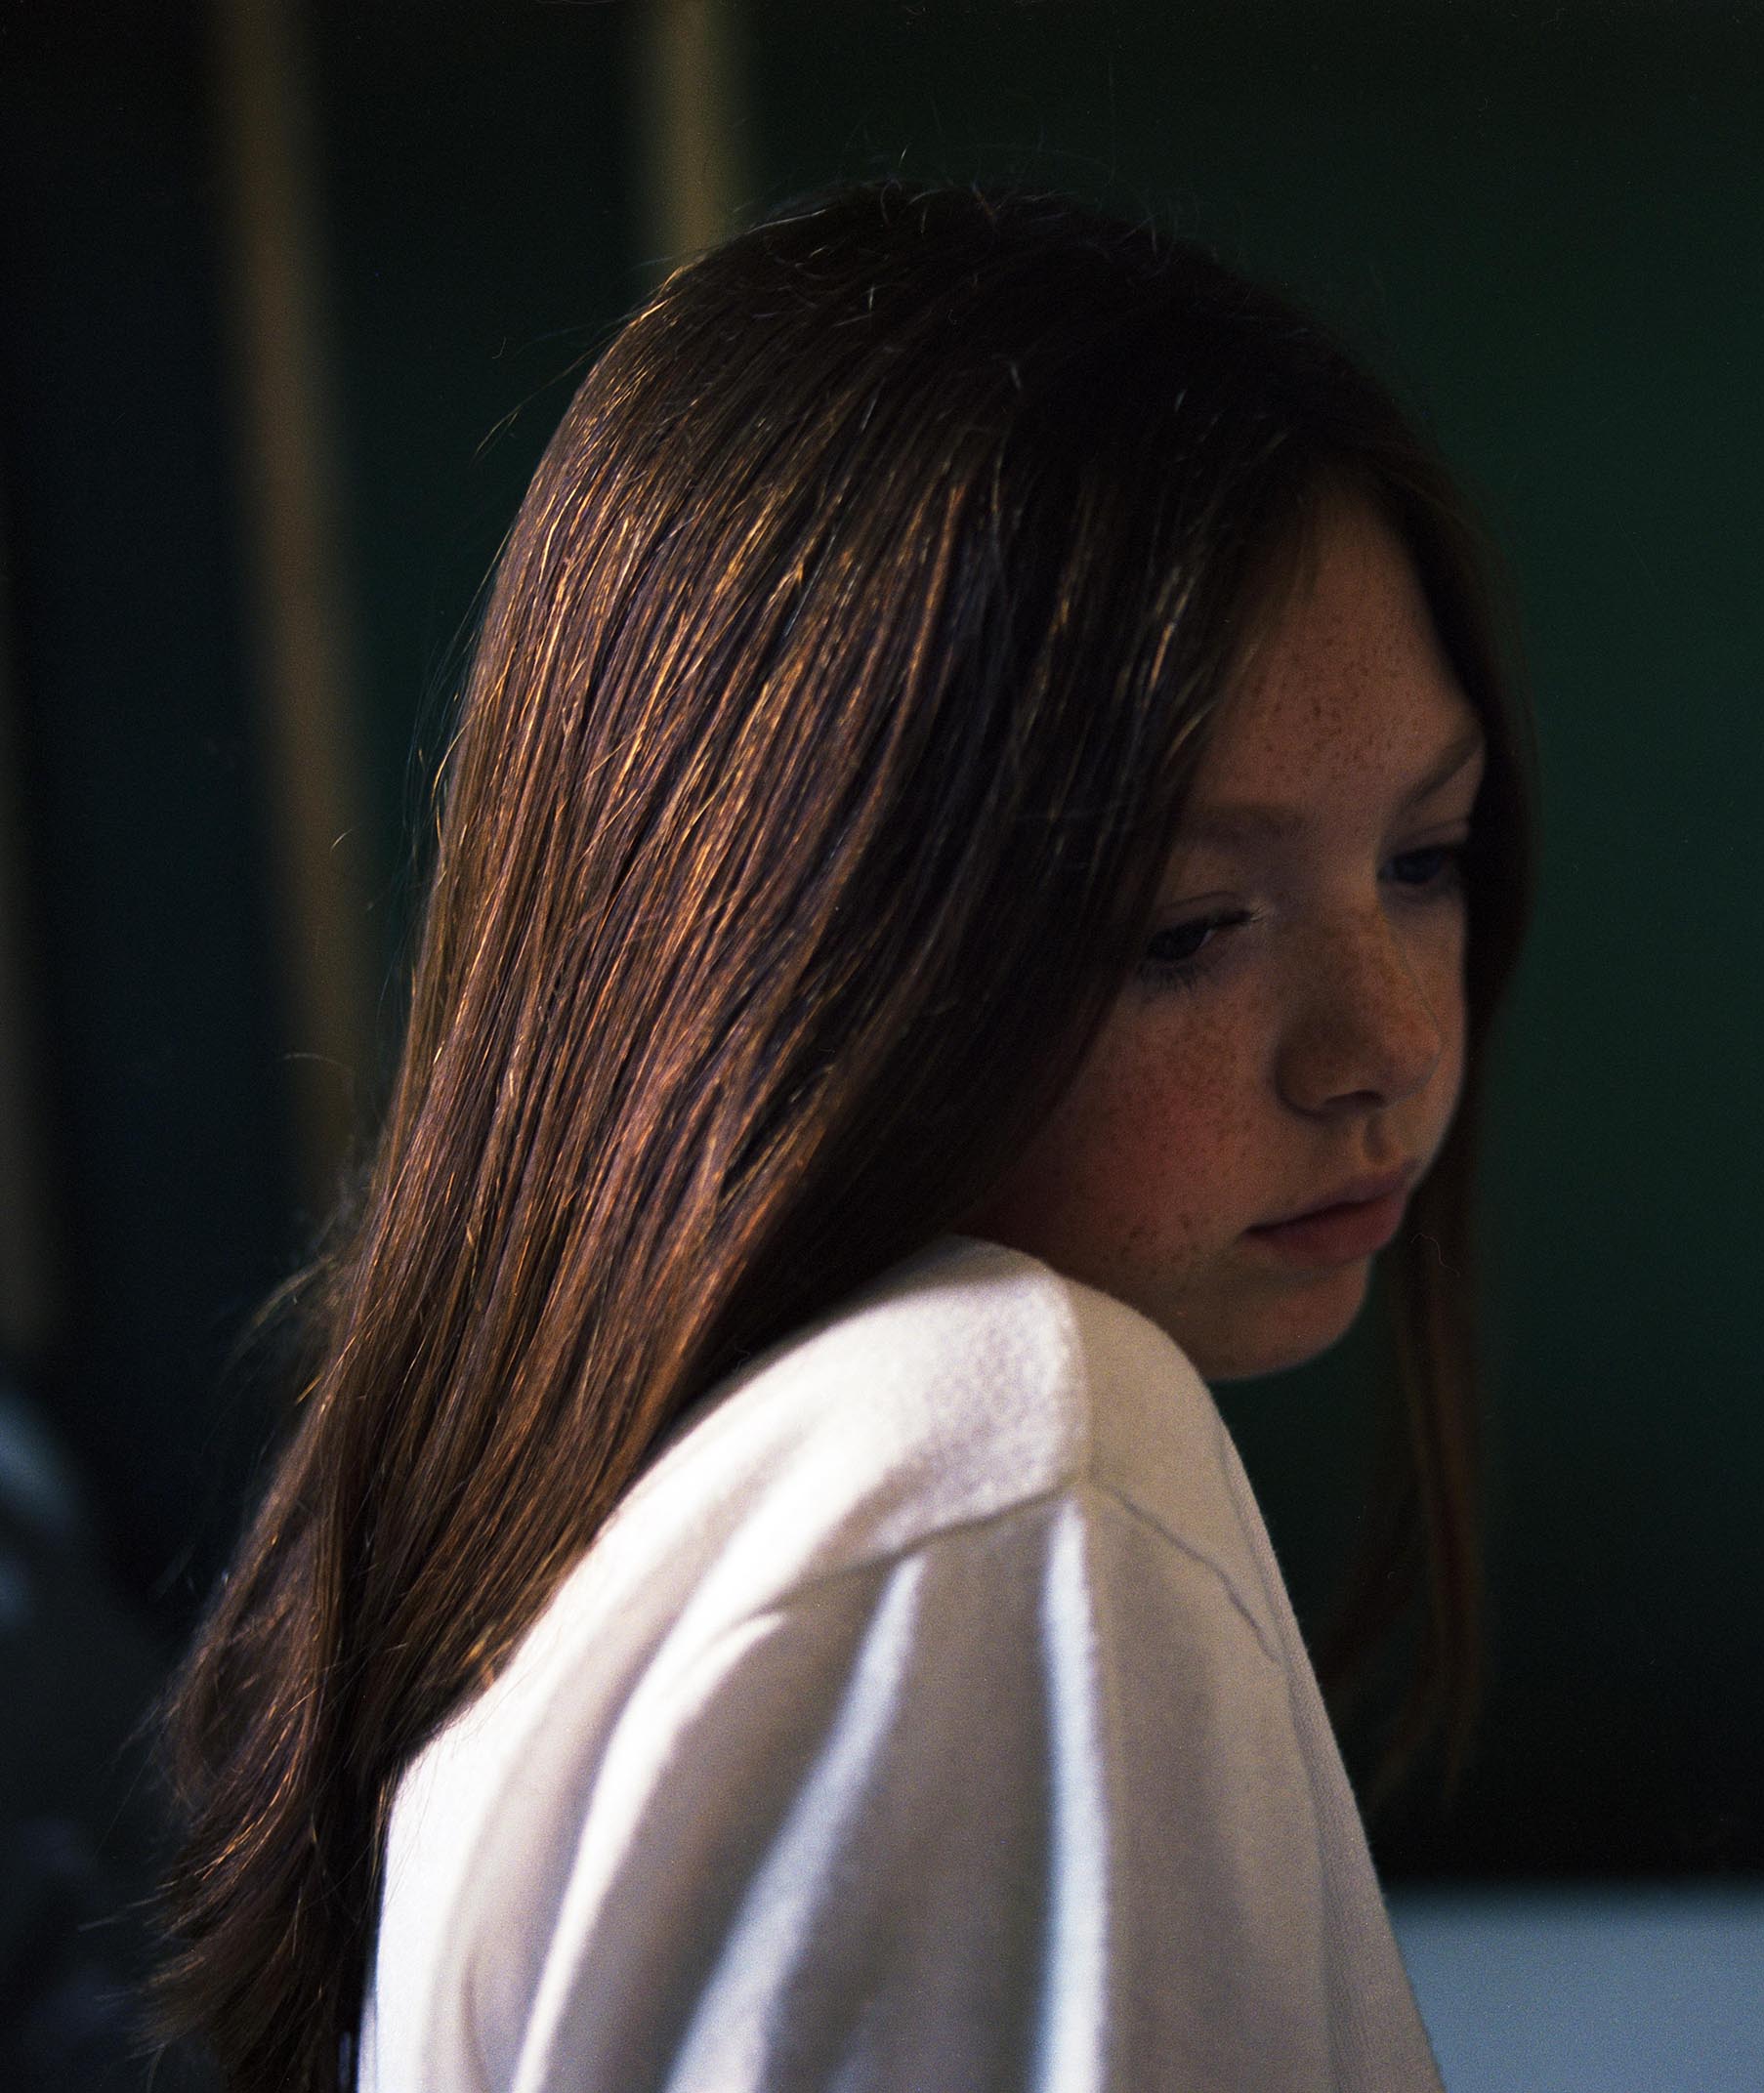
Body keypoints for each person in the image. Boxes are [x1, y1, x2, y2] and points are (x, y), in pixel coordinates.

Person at [144, 181, 1537, 2092]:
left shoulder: (727, 1501)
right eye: (1184, 929)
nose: (1384, 1043)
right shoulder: (1003, 1473)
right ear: (790, 956)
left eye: (1428, 856)